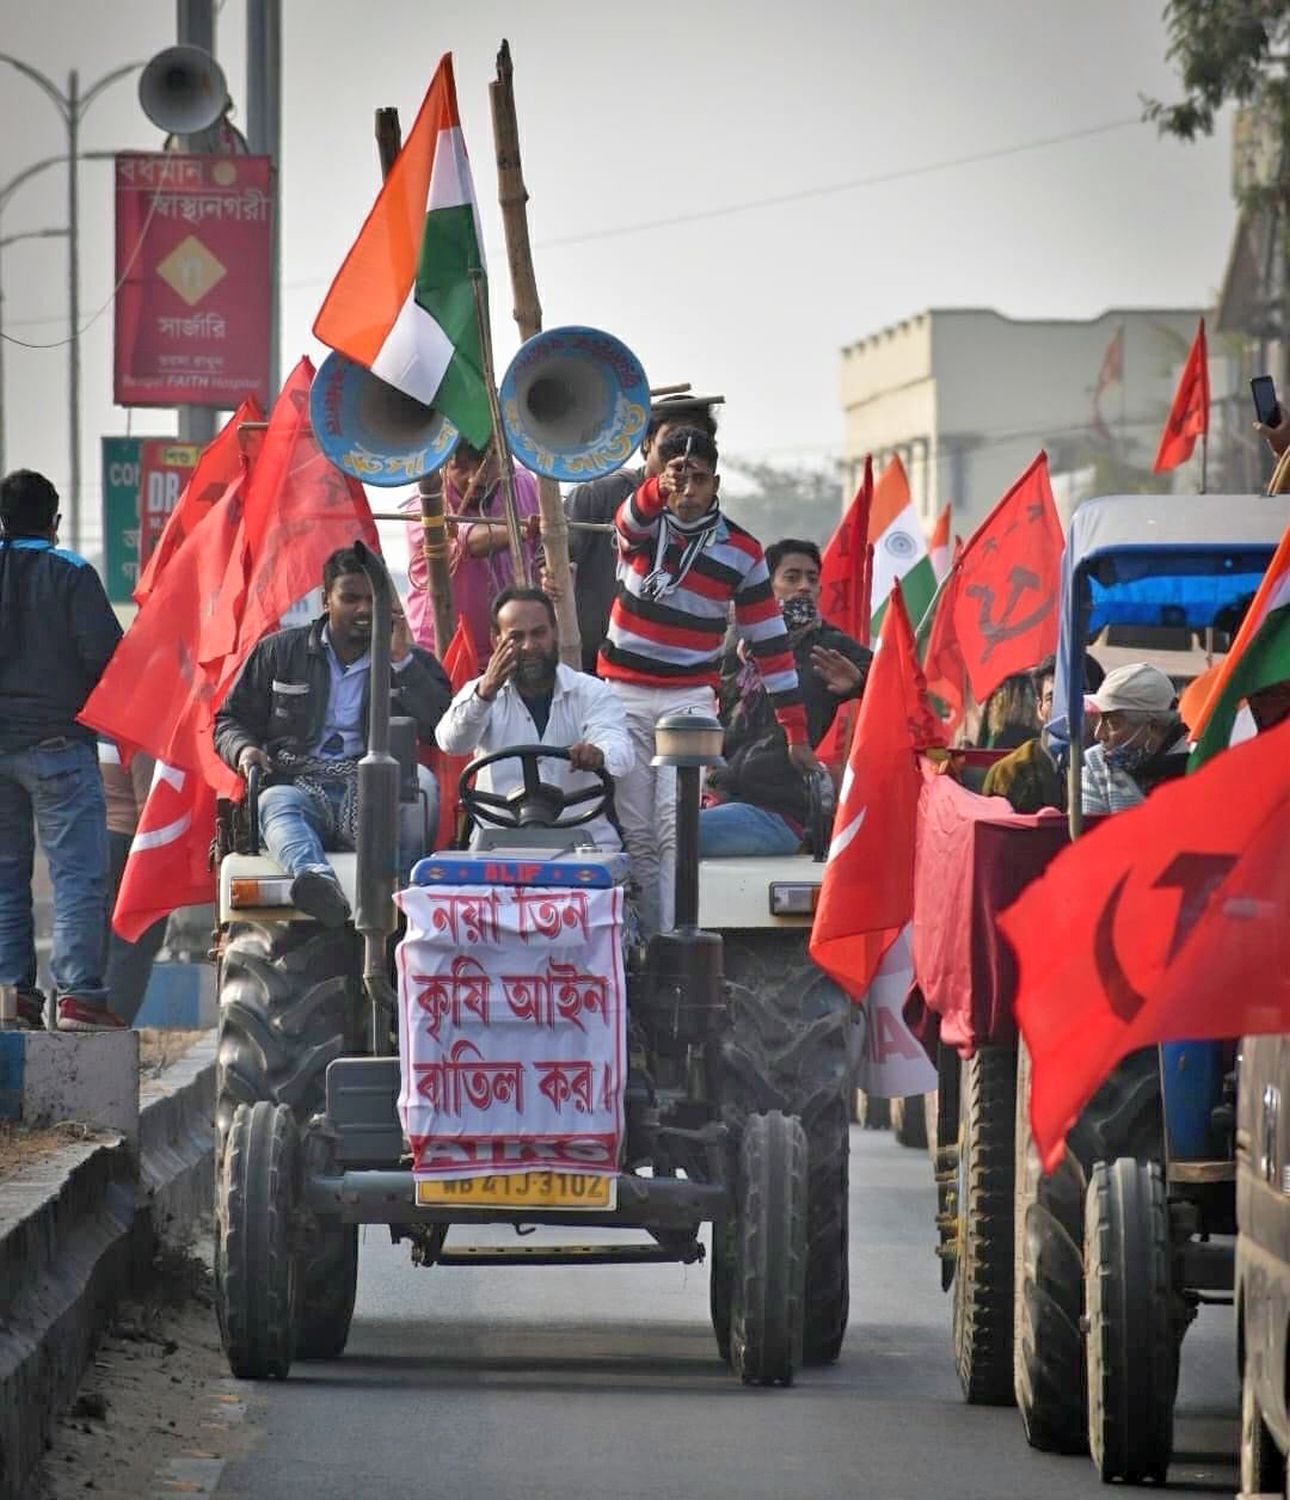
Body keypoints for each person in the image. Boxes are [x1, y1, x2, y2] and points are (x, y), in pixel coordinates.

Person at [597, 428, 817, 934]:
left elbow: (771, 646)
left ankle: (677, 942)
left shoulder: (742, 549)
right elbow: (625, 523)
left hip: (689, 698)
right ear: (661, 479)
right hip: (623, 693)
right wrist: (657, 490)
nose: (689, 490)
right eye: (679, 478)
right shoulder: (644, 527)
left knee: (677, 829)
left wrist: (796, 733)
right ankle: (651, 940)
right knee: (639, 833)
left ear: (715, 483)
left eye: (699, 479)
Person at [214, 547, 452, 926]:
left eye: (373, 599)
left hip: (378, 789)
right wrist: (244, 749)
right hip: (299, 782)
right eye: (351, 598)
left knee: (420, 783)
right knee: (274, 800)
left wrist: (401, 662)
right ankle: (317, 883)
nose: (363, 609)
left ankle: (404, 897)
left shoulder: (409, 661)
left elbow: (443, 728)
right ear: (327, 601)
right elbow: (229, 720)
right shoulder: (280, 652)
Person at [0, 470, 123, 1030]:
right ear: (55, 521)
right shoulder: (70, 573)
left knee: (5, 876)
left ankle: (12, 999)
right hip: (58, 749)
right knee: (77, 875)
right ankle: (77, 999)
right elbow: (108, 659)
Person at [701, 538, 870, 856]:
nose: (804, 587)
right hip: (719, 796)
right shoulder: (734, 642)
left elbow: (899, 685)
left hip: (776, 813)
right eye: (792, 578)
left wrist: (861, 683)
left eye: (812, 579)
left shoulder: (828, 646)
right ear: (766, 586)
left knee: (677, 835)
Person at [435, 587, 634, 851]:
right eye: (516, 637)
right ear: (497, 641)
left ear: (555, 633)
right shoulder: (480, 693)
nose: (529, 646)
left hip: (585, 849)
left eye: (538, 633)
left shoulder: (592, 692)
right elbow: (450, 742)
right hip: (499, 849)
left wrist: (598, 754)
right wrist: (484, 694)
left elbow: (620, 751)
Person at [562, 394, 721, 673]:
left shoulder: (705, 517)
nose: (682, 456)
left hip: (673, 674)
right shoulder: (598, 495)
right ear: (647, 443)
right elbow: (552, 562)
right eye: (673, 441)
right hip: (592, 666)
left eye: (694, 442)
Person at [402, 440, 541, 661]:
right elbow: (471, 541)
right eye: (462, 467)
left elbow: (539, 554)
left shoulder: (523, 483)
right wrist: (522, 530)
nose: (475, 478)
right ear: (444, 464)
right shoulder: (423, 504)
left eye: (486, 464)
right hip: (439, 652)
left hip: (509, 647)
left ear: (504, 458)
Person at [99, 741, 168, 1025]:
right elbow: (148, 808)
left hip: (98, 840)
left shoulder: (89, 724)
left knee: (104, 941)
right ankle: (114, 1024)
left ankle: (97, 1017)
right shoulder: (137, 731)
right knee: (135, 941)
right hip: (132, 844)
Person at [1081, 662, 1190, 815]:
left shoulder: (1196, 768)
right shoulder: (1096, 763)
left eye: (1113, 724)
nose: (1099, 734)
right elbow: (1090, 833)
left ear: (1154, 727)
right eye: (1099, 719)